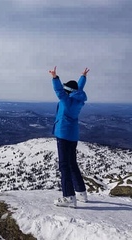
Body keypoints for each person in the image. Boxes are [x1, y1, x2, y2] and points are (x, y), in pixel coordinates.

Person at [49, 66, 90, 208]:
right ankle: (81, 193)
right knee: (72, 163)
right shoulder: (78, 100)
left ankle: (68, 197)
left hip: (63, 135)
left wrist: (55, 78)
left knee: (64, 165)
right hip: (73, 136)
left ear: (69, 91)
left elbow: (59, 92)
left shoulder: (67, 101)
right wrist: (83, 77)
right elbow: (77, 88)